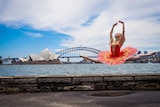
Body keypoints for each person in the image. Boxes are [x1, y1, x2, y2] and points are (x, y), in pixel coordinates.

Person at [80, 21, 155, 65]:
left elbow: (123, 32)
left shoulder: (120, 42)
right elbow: (110, 34)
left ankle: (149, 54)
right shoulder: (112, 41)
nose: (116, 34)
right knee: (98, 60)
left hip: (120, 56)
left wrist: (123, 24)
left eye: (118, 34)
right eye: (116, 34)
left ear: (119, 36)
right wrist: (113, 26)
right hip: (111, 56)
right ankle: (86, 57)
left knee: (135, 57)